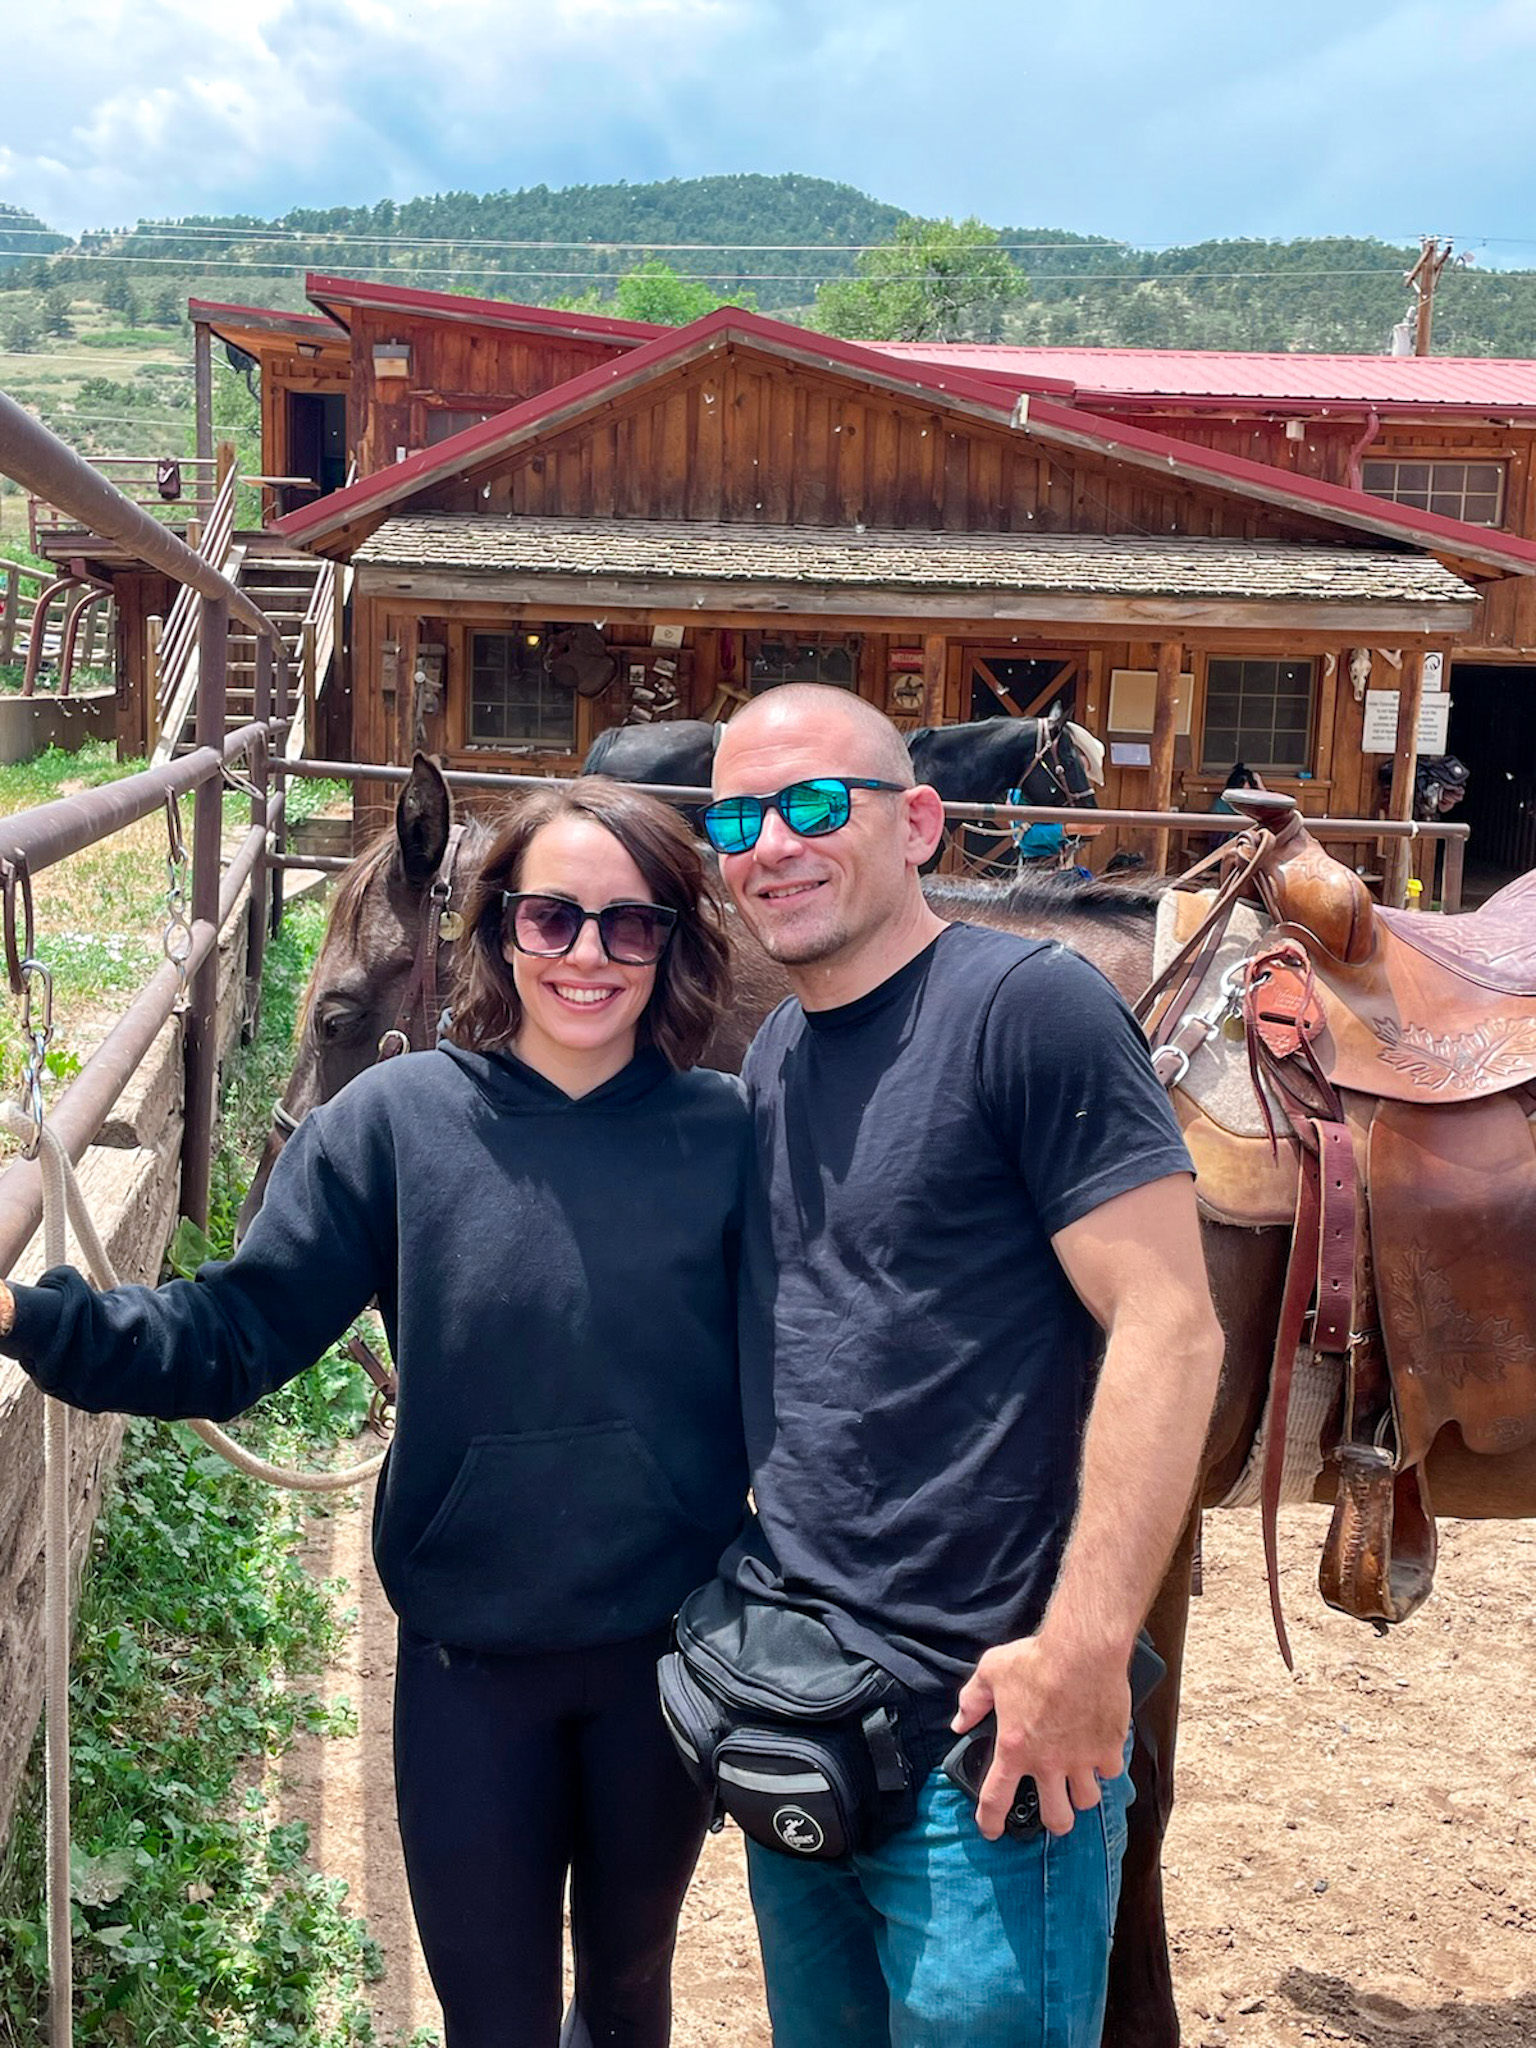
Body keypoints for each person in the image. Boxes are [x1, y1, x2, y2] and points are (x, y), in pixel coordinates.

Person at [0, 778, 750, 2048]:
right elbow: (234, 1332)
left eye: (631, 925)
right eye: (553, 917)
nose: (587, 955)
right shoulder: (395, 1124)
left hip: (664, 1665)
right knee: (493, 2015)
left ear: (672, 943)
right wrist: (32, 1319)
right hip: (471, 1663)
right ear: (499, 925)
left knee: (628, 2000)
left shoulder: (727, 1132)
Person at [701, 685, 1225, 2048]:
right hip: (808, 1712)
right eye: (739, 814)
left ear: (919, 821)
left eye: (817, 804)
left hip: (987, 1736)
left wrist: (1088, 1644)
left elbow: (1172, 1322)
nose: (775, 842)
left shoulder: (1026, 1011)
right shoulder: (774, 1055)